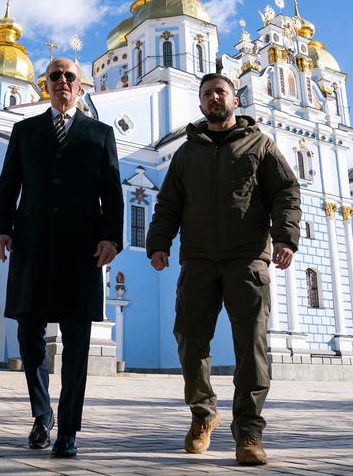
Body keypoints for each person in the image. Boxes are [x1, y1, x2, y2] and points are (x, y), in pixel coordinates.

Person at [146, 72, 301, 467]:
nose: (214, 98)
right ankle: (203, 415)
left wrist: (284, 237)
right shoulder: (186, 152)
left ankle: (248, 432)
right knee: (189, 338)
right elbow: (168, 204)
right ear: (200, 105)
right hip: (198, 259)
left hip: (246, 257)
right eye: (207, 94)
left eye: (221, 91)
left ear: (235, 100)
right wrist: (159, 243)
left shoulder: (259, 144)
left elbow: (285, 191)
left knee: (251, 344)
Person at [0, 58, 123, 458]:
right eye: (55, 77)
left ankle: (69, 429)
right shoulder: (24, 131)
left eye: (70, 77)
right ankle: (41, 414)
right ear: (44, 85)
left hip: (82, 250)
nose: (62, 82)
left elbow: (112, 191)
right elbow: (8, 183)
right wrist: (1, 228)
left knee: (78, 341)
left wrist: (111, 238)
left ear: (80, 86)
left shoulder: (100, 134)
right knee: (28, 334)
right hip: (31, 244)